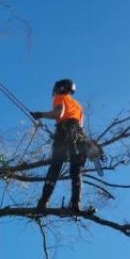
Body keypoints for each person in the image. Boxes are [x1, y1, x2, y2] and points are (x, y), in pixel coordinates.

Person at [30, 79, 87, 212]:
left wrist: (41, 114)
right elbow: (79, 125)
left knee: (55, 166)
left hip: (64, 132)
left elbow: (58, 114)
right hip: (79, 136)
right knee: (76, 170)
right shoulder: (78, 106)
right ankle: (75, 203)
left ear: (61, 88)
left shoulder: (60, 97)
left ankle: (43, 202)